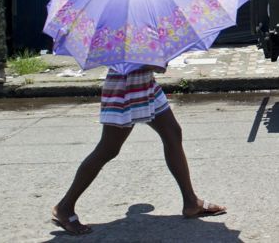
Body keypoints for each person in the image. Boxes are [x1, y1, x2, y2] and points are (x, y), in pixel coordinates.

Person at [52, 66, 226, 235]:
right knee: (108, 149)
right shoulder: (119, 35)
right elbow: (125, 60)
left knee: (173, 133)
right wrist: (154, 63)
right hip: (124, 88)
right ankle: (64, 207)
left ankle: (191, 201)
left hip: (146, 85)